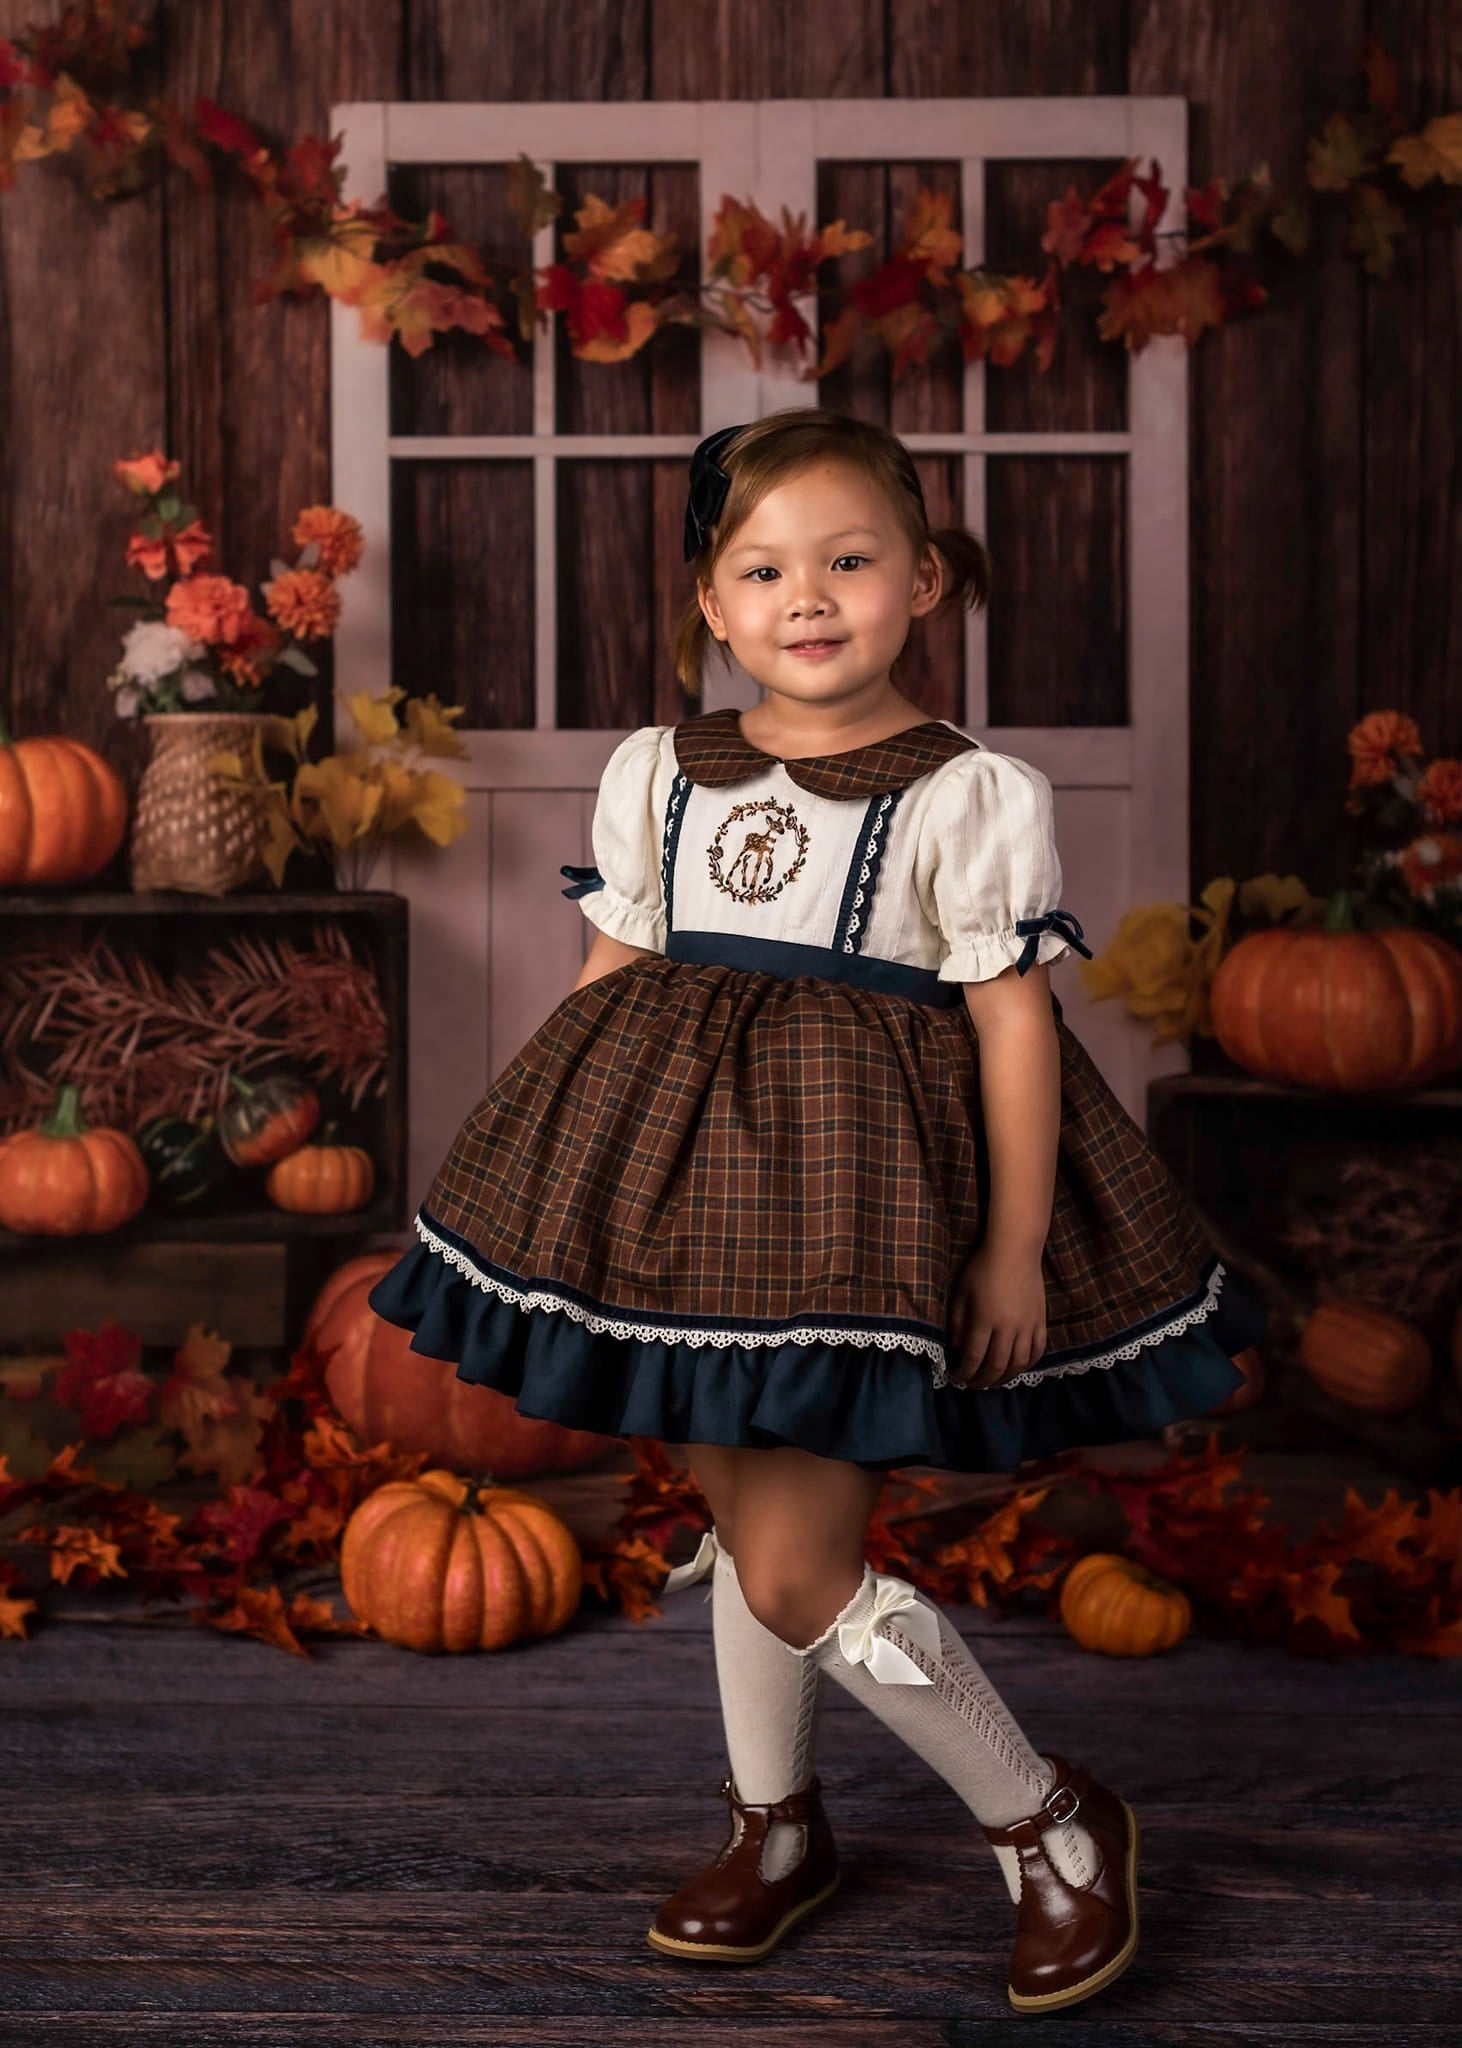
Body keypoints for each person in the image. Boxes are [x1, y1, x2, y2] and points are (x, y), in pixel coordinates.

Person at [366, 407, 1267, 2015]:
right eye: (762, 568)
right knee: (741, 1524)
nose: (807, 596)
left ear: (922, 579)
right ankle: (775, 1830)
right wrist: (550, 1177)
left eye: (847, 560)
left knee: (794, 1569)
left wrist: (999, 1244)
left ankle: (1051, 1824)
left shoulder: (963, 790)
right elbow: (617, 971)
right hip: (680, 1202)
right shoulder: (661, 770)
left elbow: (1005, 1019)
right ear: (712, 607)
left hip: (853, 1210)